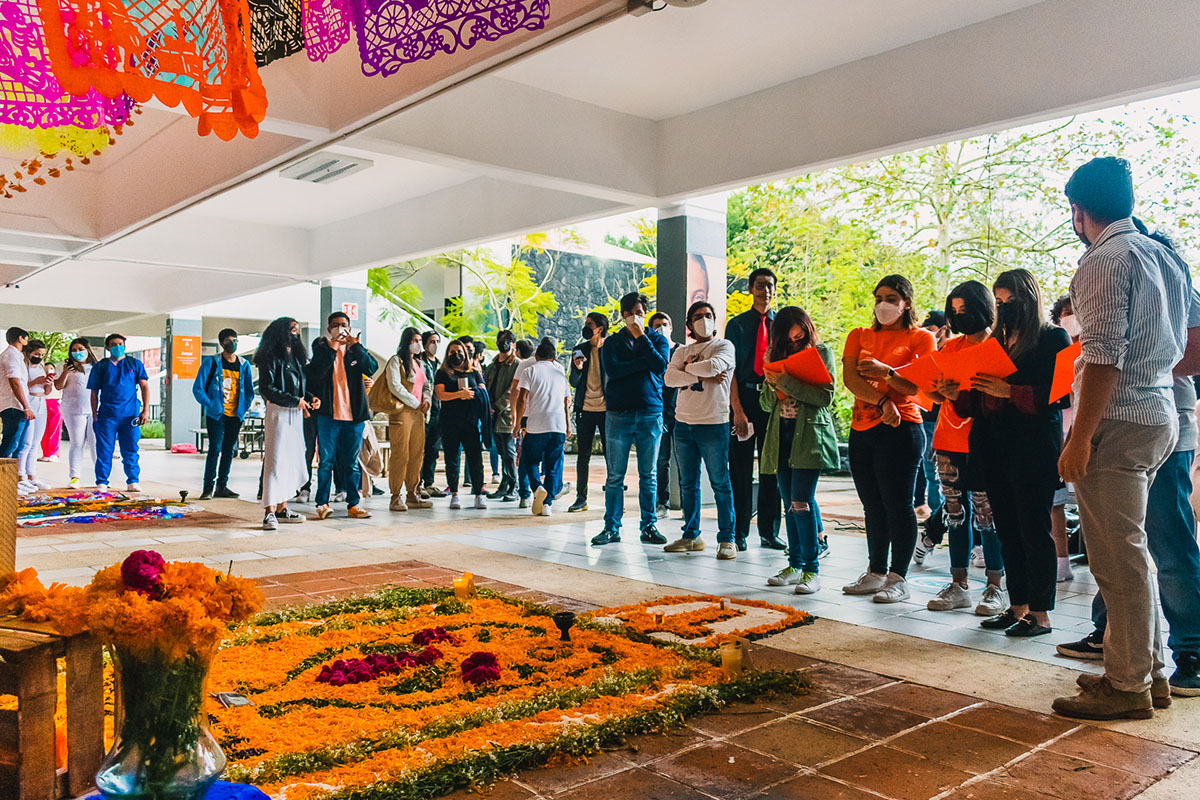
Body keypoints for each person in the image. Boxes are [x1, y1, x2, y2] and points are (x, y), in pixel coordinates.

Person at [1053, 157, 1192, 721]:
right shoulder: (1165, 255)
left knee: (1117, 559)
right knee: (1135, 554)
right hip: (1161, 410)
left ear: (1080, 210)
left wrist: (1078, 438)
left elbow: (1103, 357)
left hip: (1119, 416)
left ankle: (1127, 684)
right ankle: (1148, 672)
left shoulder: (1103, 259)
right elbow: (1182, 342)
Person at [952, 270, 1069, 640]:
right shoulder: (998, 340)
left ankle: (1041, 614)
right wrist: (955, 389)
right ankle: (1018, 607)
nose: (1003, 308)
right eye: (998, 302)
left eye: (1010, 301)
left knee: (1034, 530)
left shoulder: (1054, 337)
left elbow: (1060, 396)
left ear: (1029, 298)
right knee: (1007, 530)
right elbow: (972, 404)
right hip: (995, 446)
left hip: (1033, 448)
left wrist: (1009, 391)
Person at [841, 275, 935, 603]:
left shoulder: (921, 338)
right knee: (872, 505)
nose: (883, 304)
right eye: (879, 297)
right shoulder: (859, 335)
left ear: (906, 302)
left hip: (902, 429)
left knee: (899, 505)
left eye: (891, 298)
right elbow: (851, 379)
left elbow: (918, 388)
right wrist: (882, 401)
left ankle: (898, 577)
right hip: (863, 427)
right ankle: (875, 571)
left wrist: (888, 373)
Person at [924, 282, 1007, 616]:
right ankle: (958, 584)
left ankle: (995, 587)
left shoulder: (998, 345)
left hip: (984, 442)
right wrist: (939, 390)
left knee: (988, 515)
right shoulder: (951, 347)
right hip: (948, 439)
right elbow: (932, 393)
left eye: (966, 309)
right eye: (954, 310)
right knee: (955, 514)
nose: (960, 316)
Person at [758, 307, 839, 592]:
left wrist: (787, 382)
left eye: (800, 332)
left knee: (801, 501)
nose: (796, 339)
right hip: (781, 435)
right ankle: (794, 564)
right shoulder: (775, 355)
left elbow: (826, 397)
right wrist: (770, 379)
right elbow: (767, 405)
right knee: (789, 504)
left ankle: (811, 570)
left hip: (809, 435)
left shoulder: (821, 352)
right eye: (790, 335)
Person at [592, 292, 671, 546]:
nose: (636, 316)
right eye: (631, 312)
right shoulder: (612, 343)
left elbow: (660, 366)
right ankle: (611, 527)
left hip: (650, 412)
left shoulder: (657, 339)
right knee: (615, 475)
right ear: (623, 315)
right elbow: (613, 371)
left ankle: (649, 526)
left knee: (648, 474)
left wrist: (641, 339)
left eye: (640, 311)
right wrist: (641, 363)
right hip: (618, 414)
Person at [662, 301, 738, 559]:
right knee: (688, 483)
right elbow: (669, 378)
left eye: (708, 315)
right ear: (689, 323)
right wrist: (698, 375)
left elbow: (714, 367)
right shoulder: (682, 351)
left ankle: (727, 538)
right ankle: (691, 535)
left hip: (714, 423)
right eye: (698, 316)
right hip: (683, 424)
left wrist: (688, 370)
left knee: (720, 482)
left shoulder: (723, 346)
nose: (703, 319)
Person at [726, 268, 785, 551]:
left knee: (771, 468)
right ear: (750, 288)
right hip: (746, 401)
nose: (766, 290)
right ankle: (739, 531)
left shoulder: (782, 325)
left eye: (771, 286)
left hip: (774, 403)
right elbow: (732, 372)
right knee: (739, 469)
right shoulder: (736, 325)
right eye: (760, 285)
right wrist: (737, 410)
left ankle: (769, 532)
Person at [306, 312, 379, 521]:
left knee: (351, 462)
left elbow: (372, 368)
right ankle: (322, 503)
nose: (340, 329)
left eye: (344, 325)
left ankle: (354, 504)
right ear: (329, 330)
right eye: (336, 325)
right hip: (328, 416)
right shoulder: (321, 349)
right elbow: (315, 374)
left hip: (354, 417)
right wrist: (332, 348)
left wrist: (356, 345)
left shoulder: (355, 350)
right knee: (326, 462)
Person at [257, 317, 314, 530]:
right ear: (281, 332)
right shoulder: (270, 357)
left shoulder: (297, 359)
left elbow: (298, 387)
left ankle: (282, 508)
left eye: (297, 330)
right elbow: (267, 388)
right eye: (292, 330)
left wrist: (309, 398)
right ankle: (269, 512)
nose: (296, 334)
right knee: (276, 461)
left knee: (292, 460)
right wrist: (295, 401)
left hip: (296, 412)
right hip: (279, 413)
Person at [193, 328, 255, 500]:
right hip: (217, 415)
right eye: (228, 341)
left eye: (235, 340)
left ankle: (222, 486)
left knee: (229, 451)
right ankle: (208, 488)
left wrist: (243, 407)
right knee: (215, 449)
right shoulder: (211, 363)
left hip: (235, 415)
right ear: (221, 343)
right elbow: (198, 389)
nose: (232, 343)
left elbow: (249, 391)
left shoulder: (243, 365)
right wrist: (212, 405)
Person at [515, 337, 571, 516]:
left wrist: (517, 423)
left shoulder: (530, 371)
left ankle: (537, 487)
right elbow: (566, 401)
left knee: (529, 460)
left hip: (536, 425)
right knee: (553, 465)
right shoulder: (560, 373)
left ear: (536, 356)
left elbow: (522, 398)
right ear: (554, 357)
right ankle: (547, 505)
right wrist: (568, 425)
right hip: (558, 425)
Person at [88, 333, 149, 492]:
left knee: (130, 449)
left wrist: (145, 411)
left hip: (130, 416)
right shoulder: (100, 367)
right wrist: (94, 415)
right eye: (113, 344)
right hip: (107, 415)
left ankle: (133, 480)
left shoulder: (134, 364)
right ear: (107, 347)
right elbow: (94, 392)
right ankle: (102, 481)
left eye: (120, 344)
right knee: (104, 449)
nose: (117, 347)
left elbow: (144, 387)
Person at [383, 327, 433, 512]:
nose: (418, 343)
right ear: (406, 342)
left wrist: (426, 400)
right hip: (402, 412)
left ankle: (412, 493)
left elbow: (426, 384)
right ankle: (396, 496)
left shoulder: (419, 363)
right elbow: (395, 385)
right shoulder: (396, 361)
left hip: (419, 413)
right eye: (414, 340)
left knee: (417, 454)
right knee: (400, 454)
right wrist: (415, 402)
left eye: (420, 339)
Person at [1048, 295, 1079, 582]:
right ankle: (1061, 561)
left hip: (1087, 432)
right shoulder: (1057, 350)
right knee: (1056, 502)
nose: (1069, 317)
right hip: (1059, 432)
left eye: (1075, 312)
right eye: (1065, 313)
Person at [436, 339, 487, 510]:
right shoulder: (442, 373)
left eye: (459, 351)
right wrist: (459, 394)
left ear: (465, 354)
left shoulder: (474, 372)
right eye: (452, 352)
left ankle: (479, 493)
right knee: (451, 458)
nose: (456, 355)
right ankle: (454, 494)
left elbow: (482, 389)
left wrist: (473, 393)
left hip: (470, 422)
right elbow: (440, 395)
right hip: (450, 421)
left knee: (475, 457)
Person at [568, 312, 609, 513]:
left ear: (600, 328)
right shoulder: (579, 350)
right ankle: (581, 498)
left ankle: (613, 498)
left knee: (612, 456)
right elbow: (573, 382)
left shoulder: (611, 348)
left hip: (607, 410)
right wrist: (577, 368)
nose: (586, 327)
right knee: (583, 456)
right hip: (585, 409)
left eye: (590, 324)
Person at [913, 311, 947, 524]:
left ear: (944, 329)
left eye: (931, 329)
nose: (928, 333)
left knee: (940, 473)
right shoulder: (924, 353)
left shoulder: (951, 352)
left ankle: (941, 517)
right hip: (923, 416)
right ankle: (936, 517)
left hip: (944, 419)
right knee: (928, 469)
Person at [484, 329, 520, 500]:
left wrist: (498, 406)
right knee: (501, 452)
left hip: (507, 415)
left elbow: (513, 391)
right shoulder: (492, 365)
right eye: (500, 340)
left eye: (506, 340)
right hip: (492, 415)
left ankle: (514, 486)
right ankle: (505, 484)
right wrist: (488, 406)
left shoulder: (517, 365)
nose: (502, 343)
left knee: (509, 451)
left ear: (513, 344)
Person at [54, 338, 96, 488]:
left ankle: (101, 477)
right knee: (77, 443)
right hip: (73, 409)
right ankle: (74, 477)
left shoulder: (96, 367)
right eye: (74, 350)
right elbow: (58, 386)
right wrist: (65, 372)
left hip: (95, 410)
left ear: (87, 350)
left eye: (81, 349)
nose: (78, 352)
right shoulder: (66, 368)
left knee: (96, 444)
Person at [650, 312, 679, 519]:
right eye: (657, 325)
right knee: (661, 460)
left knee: (688, 460)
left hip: (683, 411)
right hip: (660, 413)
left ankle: (690, 504)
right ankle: (662, 502)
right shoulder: (650, 352)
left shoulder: (680, 351)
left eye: (665, 323)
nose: (661, 327)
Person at [17, 339, 53, 492]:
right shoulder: (23, 366)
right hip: (29, 401)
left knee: (36, 442)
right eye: (36, 353)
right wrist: (34, 382)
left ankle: (32, 475)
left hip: (41, 402)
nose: (39, 357)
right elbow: (19, 385)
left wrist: (48, 384)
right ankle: (20, 475)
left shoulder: (41, 368)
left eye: (41, 355)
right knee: (26, 442)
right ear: (29, 352)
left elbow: (47, 391)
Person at [0, 327, 33, 461]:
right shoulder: (11, 355)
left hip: (18, 406)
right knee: (10, 444)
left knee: (18, 446)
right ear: (20, 338)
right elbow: (14, 382)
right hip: (13, 406)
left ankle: (13, 479)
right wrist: (26, 406)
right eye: (26, 338)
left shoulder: (16, 355)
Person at [419, 331, 445, 498]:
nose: (434, 345)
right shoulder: (419, 362)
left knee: (433, 449)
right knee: (420, 448)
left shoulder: (441, 365)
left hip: (439, 410)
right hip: (424, 411)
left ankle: (429, 483)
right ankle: (417, 483)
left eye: (437, 341)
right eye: (431, 341)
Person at [511, 338, 537, 508]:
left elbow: (516, 392)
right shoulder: (554, 365)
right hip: (539, 417)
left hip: (527, 416)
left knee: (525, 454)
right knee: (533, 455)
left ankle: (525, 494)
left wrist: (515, 417)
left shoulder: (524, 365)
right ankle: (534, 491)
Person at [39, 369, 62, 463]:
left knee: (55, 430)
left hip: (54, 405)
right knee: (44, 431)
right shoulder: (41, 379)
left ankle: (54, 453)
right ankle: (46, 453)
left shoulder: (58, 381)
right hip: (43, 405)